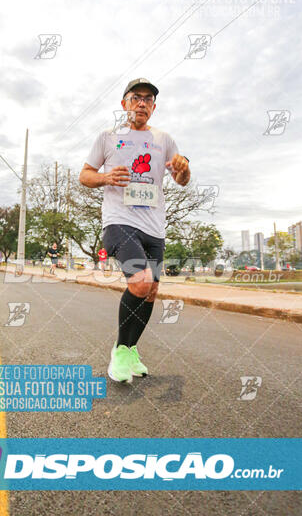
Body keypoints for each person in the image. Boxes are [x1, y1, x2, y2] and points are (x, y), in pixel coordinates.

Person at [79, 78, 190, 383]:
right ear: (124, 103)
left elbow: (181, 179)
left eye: (148, 99)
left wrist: (184, 169)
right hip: (119, 222)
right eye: (136, 97)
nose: (142, 103)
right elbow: (84, 175)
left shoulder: (163, 139)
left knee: (151, 291)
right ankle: (119, 351)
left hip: (154, 227)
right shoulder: (107, 137)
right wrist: (104, 178)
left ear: (153, 107)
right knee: (141, 283)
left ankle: (130, 350)